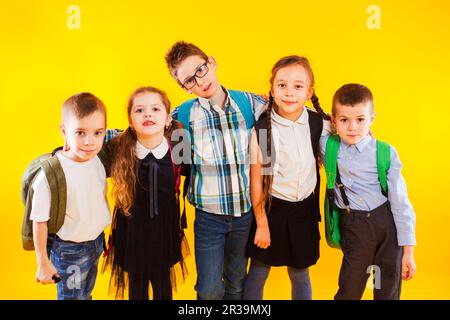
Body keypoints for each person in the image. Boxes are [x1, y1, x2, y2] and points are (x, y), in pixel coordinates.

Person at [164, 41, 267, 300]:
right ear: (184, 88)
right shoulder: (182, 116)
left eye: (200, 70)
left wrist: (341, 126)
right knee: (210, 291)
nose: (199, 81)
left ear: (212, 62)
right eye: (189, 81)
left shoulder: (251, 105)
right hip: (208, 217)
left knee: (236, 284)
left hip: (245, 215)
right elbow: (146, 133)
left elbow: (294, 118)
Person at [244, 55, 330, 300]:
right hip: (271, 210)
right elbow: (257, 180)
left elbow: (350, 131)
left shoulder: (318, 123)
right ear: (271, 90)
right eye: (282, 85)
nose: (289, 92)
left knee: (300, 272)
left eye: (298, 86)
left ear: (309, 91)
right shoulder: (262, 129)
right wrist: (261, 224)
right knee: (259, 270)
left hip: (304, 210)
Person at [321, 83, 416, 300]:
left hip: (386, 227)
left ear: (372, 119)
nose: (352, 127)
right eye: (344, 120)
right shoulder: (328, 146)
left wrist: (408, 251)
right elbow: (306, 117)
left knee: (384, 286)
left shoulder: (384, 153)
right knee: (350, 287)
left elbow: (401, 203)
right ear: (334, 121)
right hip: (354, 227)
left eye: (360, 120)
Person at [103, 86, 189, 300]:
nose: (148, 114)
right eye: (139, 110)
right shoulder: (118, 147)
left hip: (165, 229)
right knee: (137, 287)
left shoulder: (178, 144)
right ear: (131, 121)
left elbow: (192, 169)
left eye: (155, 109)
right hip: (132, 232)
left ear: (168, 118)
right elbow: (87, 149)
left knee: (163, 286)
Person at [31, 92, 111, 300]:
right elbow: (39, 221)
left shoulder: (99, 159)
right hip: (69, 251)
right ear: (64, 131)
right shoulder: (51, 175)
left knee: (86, 293)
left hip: (96, 243)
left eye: (97, 133)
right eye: (80, 132)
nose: (89, 142)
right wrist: (43, 262)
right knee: (72, 298)